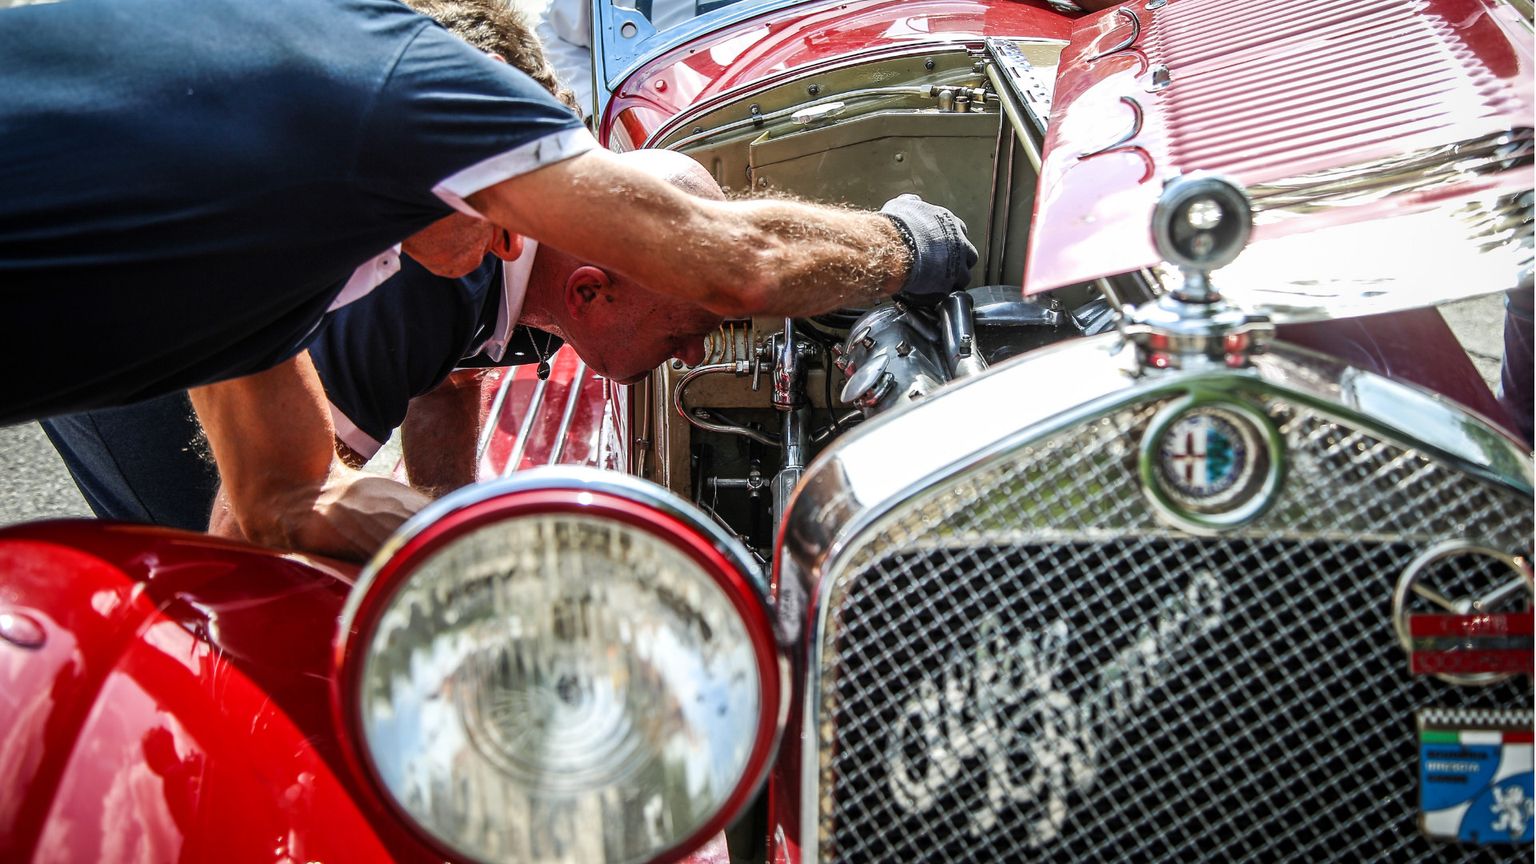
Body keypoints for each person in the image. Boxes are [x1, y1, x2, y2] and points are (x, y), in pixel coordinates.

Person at [3, 0, 976, 560]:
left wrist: (485, 544)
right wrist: (907, 246)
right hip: (110, 370)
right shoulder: (423, 89)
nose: (516, 243)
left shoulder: (280, 247)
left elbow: (283, 499)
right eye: (521, 211)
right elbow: (739, 263)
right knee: (204, 586)